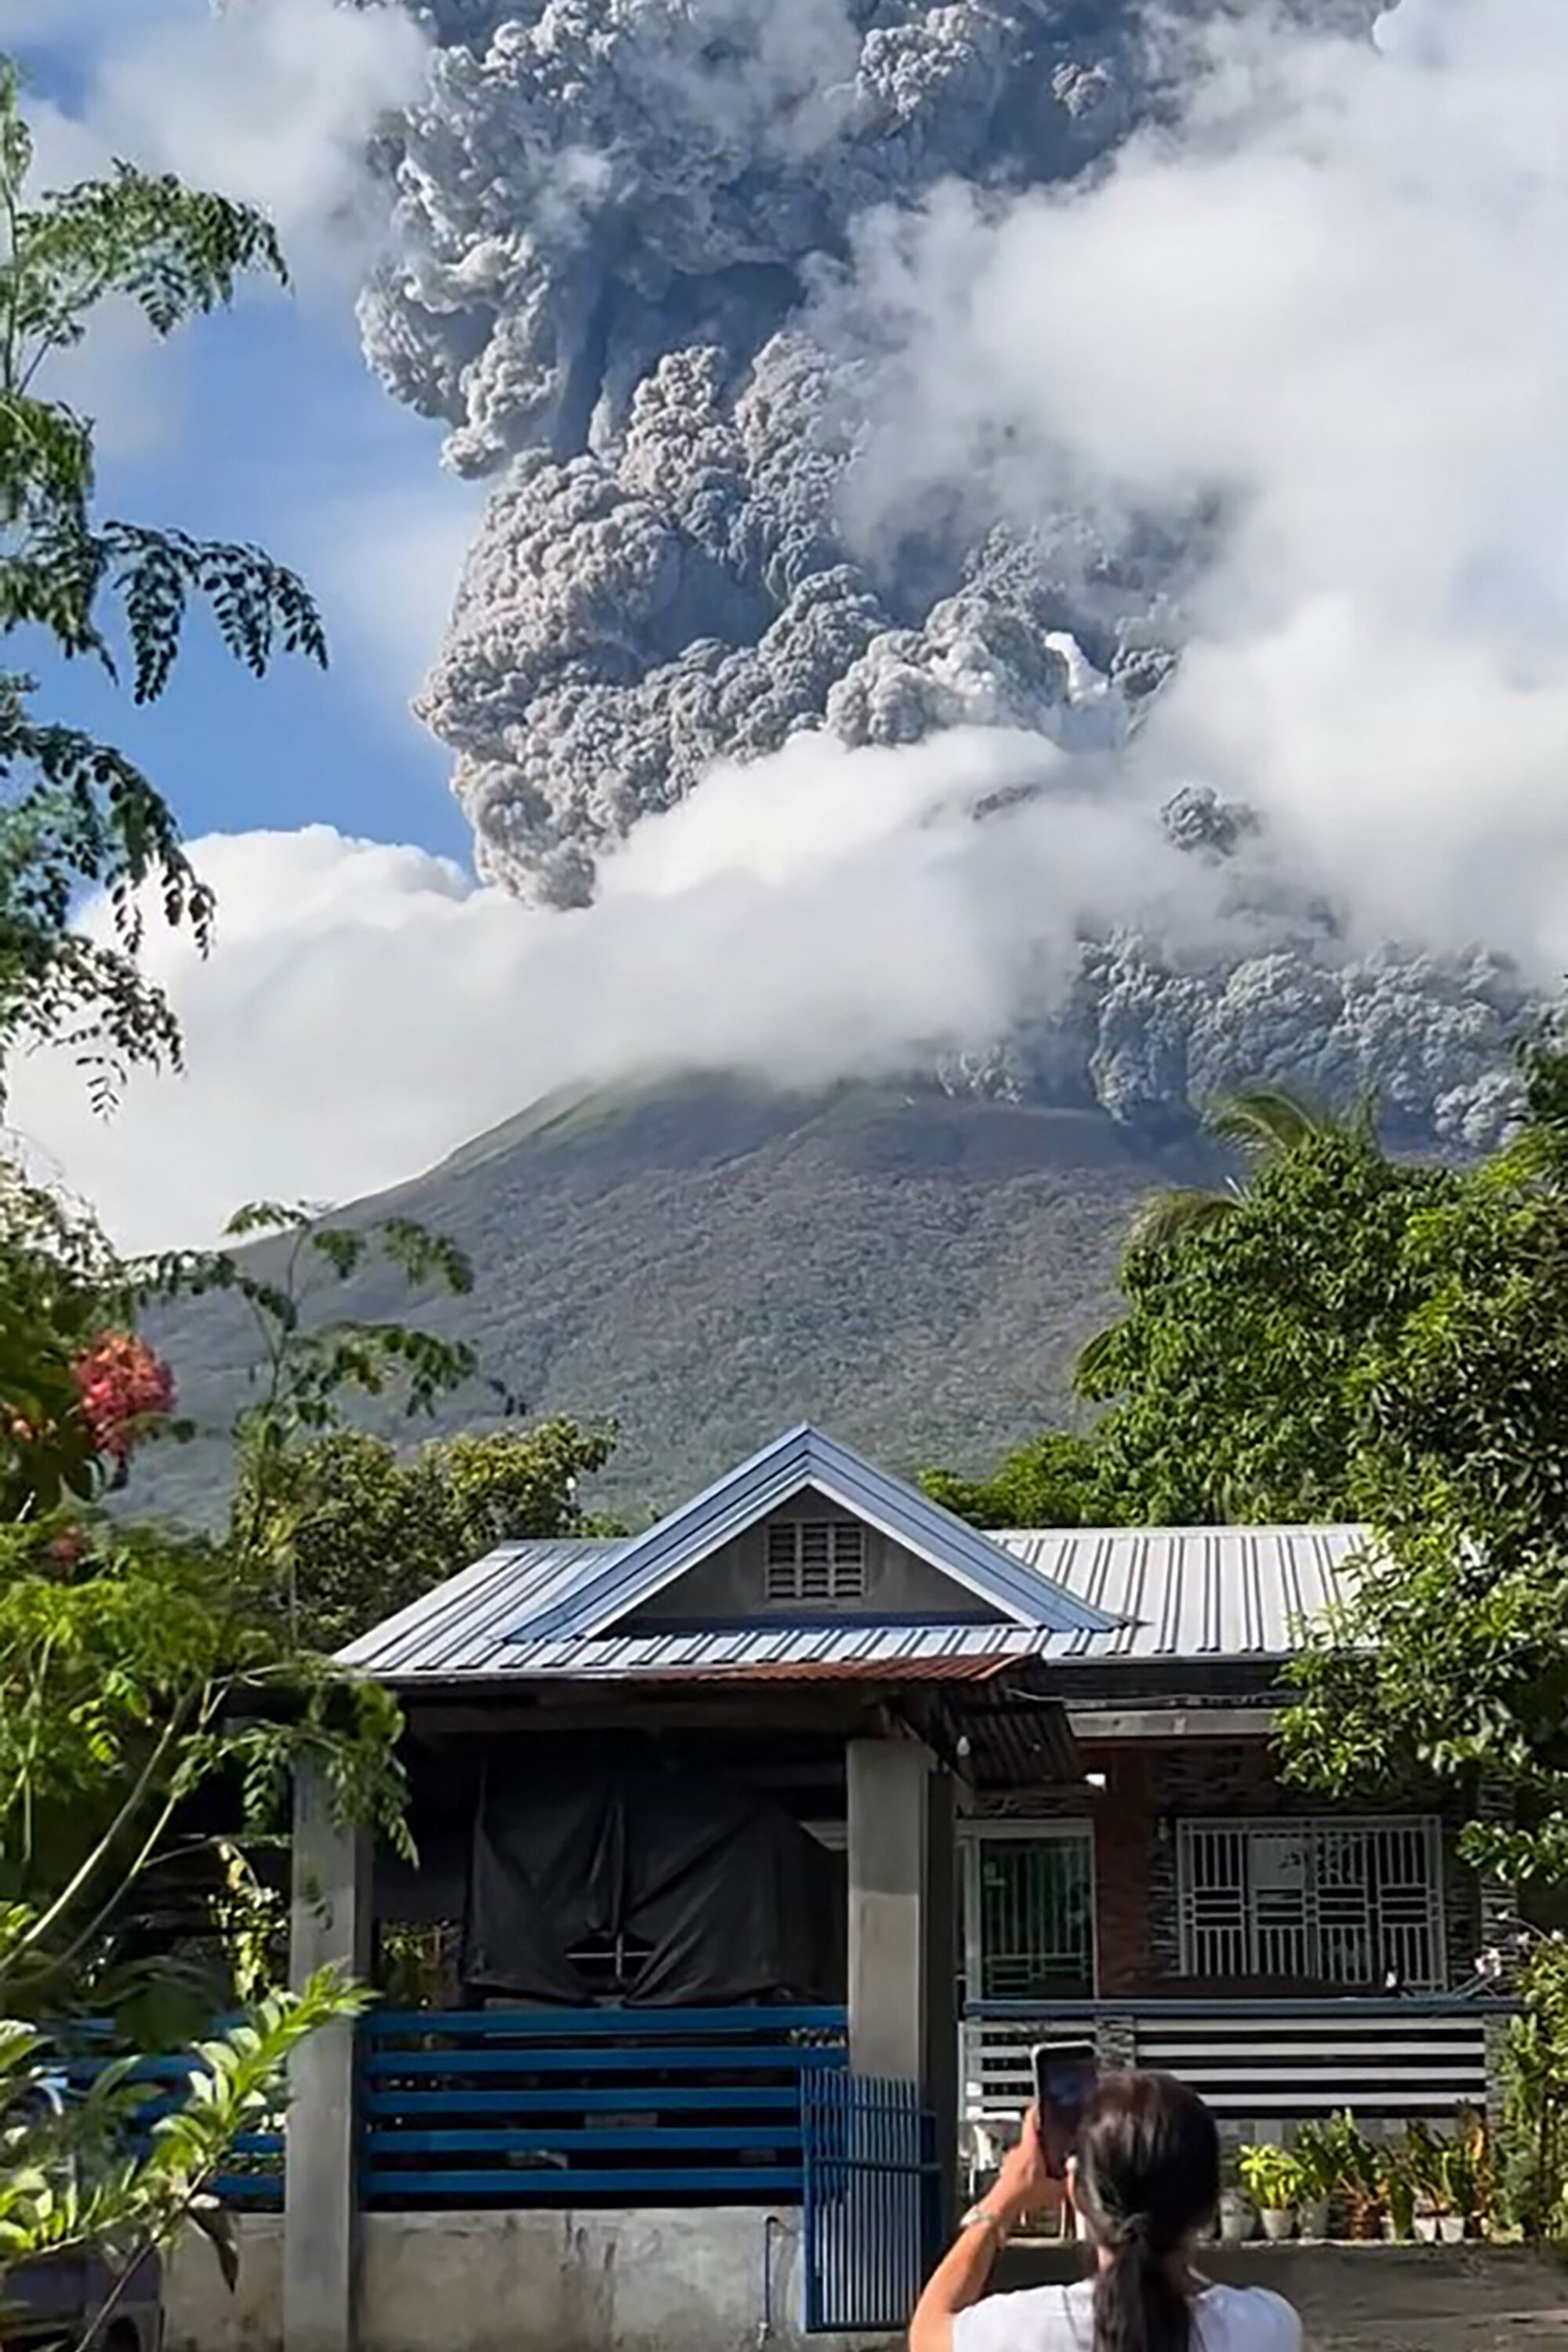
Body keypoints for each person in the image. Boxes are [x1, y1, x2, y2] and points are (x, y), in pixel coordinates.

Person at [910, 2071, 1301, 2352]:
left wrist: (1002, 2199)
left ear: (1078, 2194)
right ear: (1209, 2202)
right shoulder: (1268, 2327)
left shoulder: (1020, 2329)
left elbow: (927, 2332)